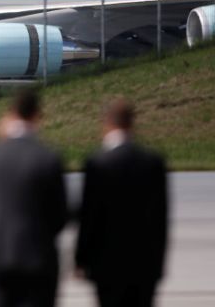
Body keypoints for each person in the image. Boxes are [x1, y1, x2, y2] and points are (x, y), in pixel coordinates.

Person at [0, 88, 68, 307]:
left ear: (10, 114)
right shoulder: (49, 157)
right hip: (39, 258)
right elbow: (61, 215)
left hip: (1, 256)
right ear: (37, 115)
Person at [75, 98, 169, 307]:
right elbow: (160, 219)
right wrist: (159, 264)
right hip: (144, 264)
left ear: (107, 123)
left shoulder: (97, 163)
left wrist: (81, 258)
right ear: (132, 123)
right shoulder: (153, 162)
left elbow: (89, 217)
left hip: (106, 264)